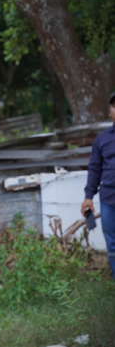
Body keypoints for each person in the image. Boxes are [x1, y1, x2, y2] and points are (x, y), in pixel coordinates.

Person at [81, 92, 115, 281]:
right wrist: (88, 197)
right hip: (109, 200)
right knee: (112, 245)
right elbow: (94, 169)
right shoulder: (102, 139)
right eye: (114, 106)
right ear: (110, 111)